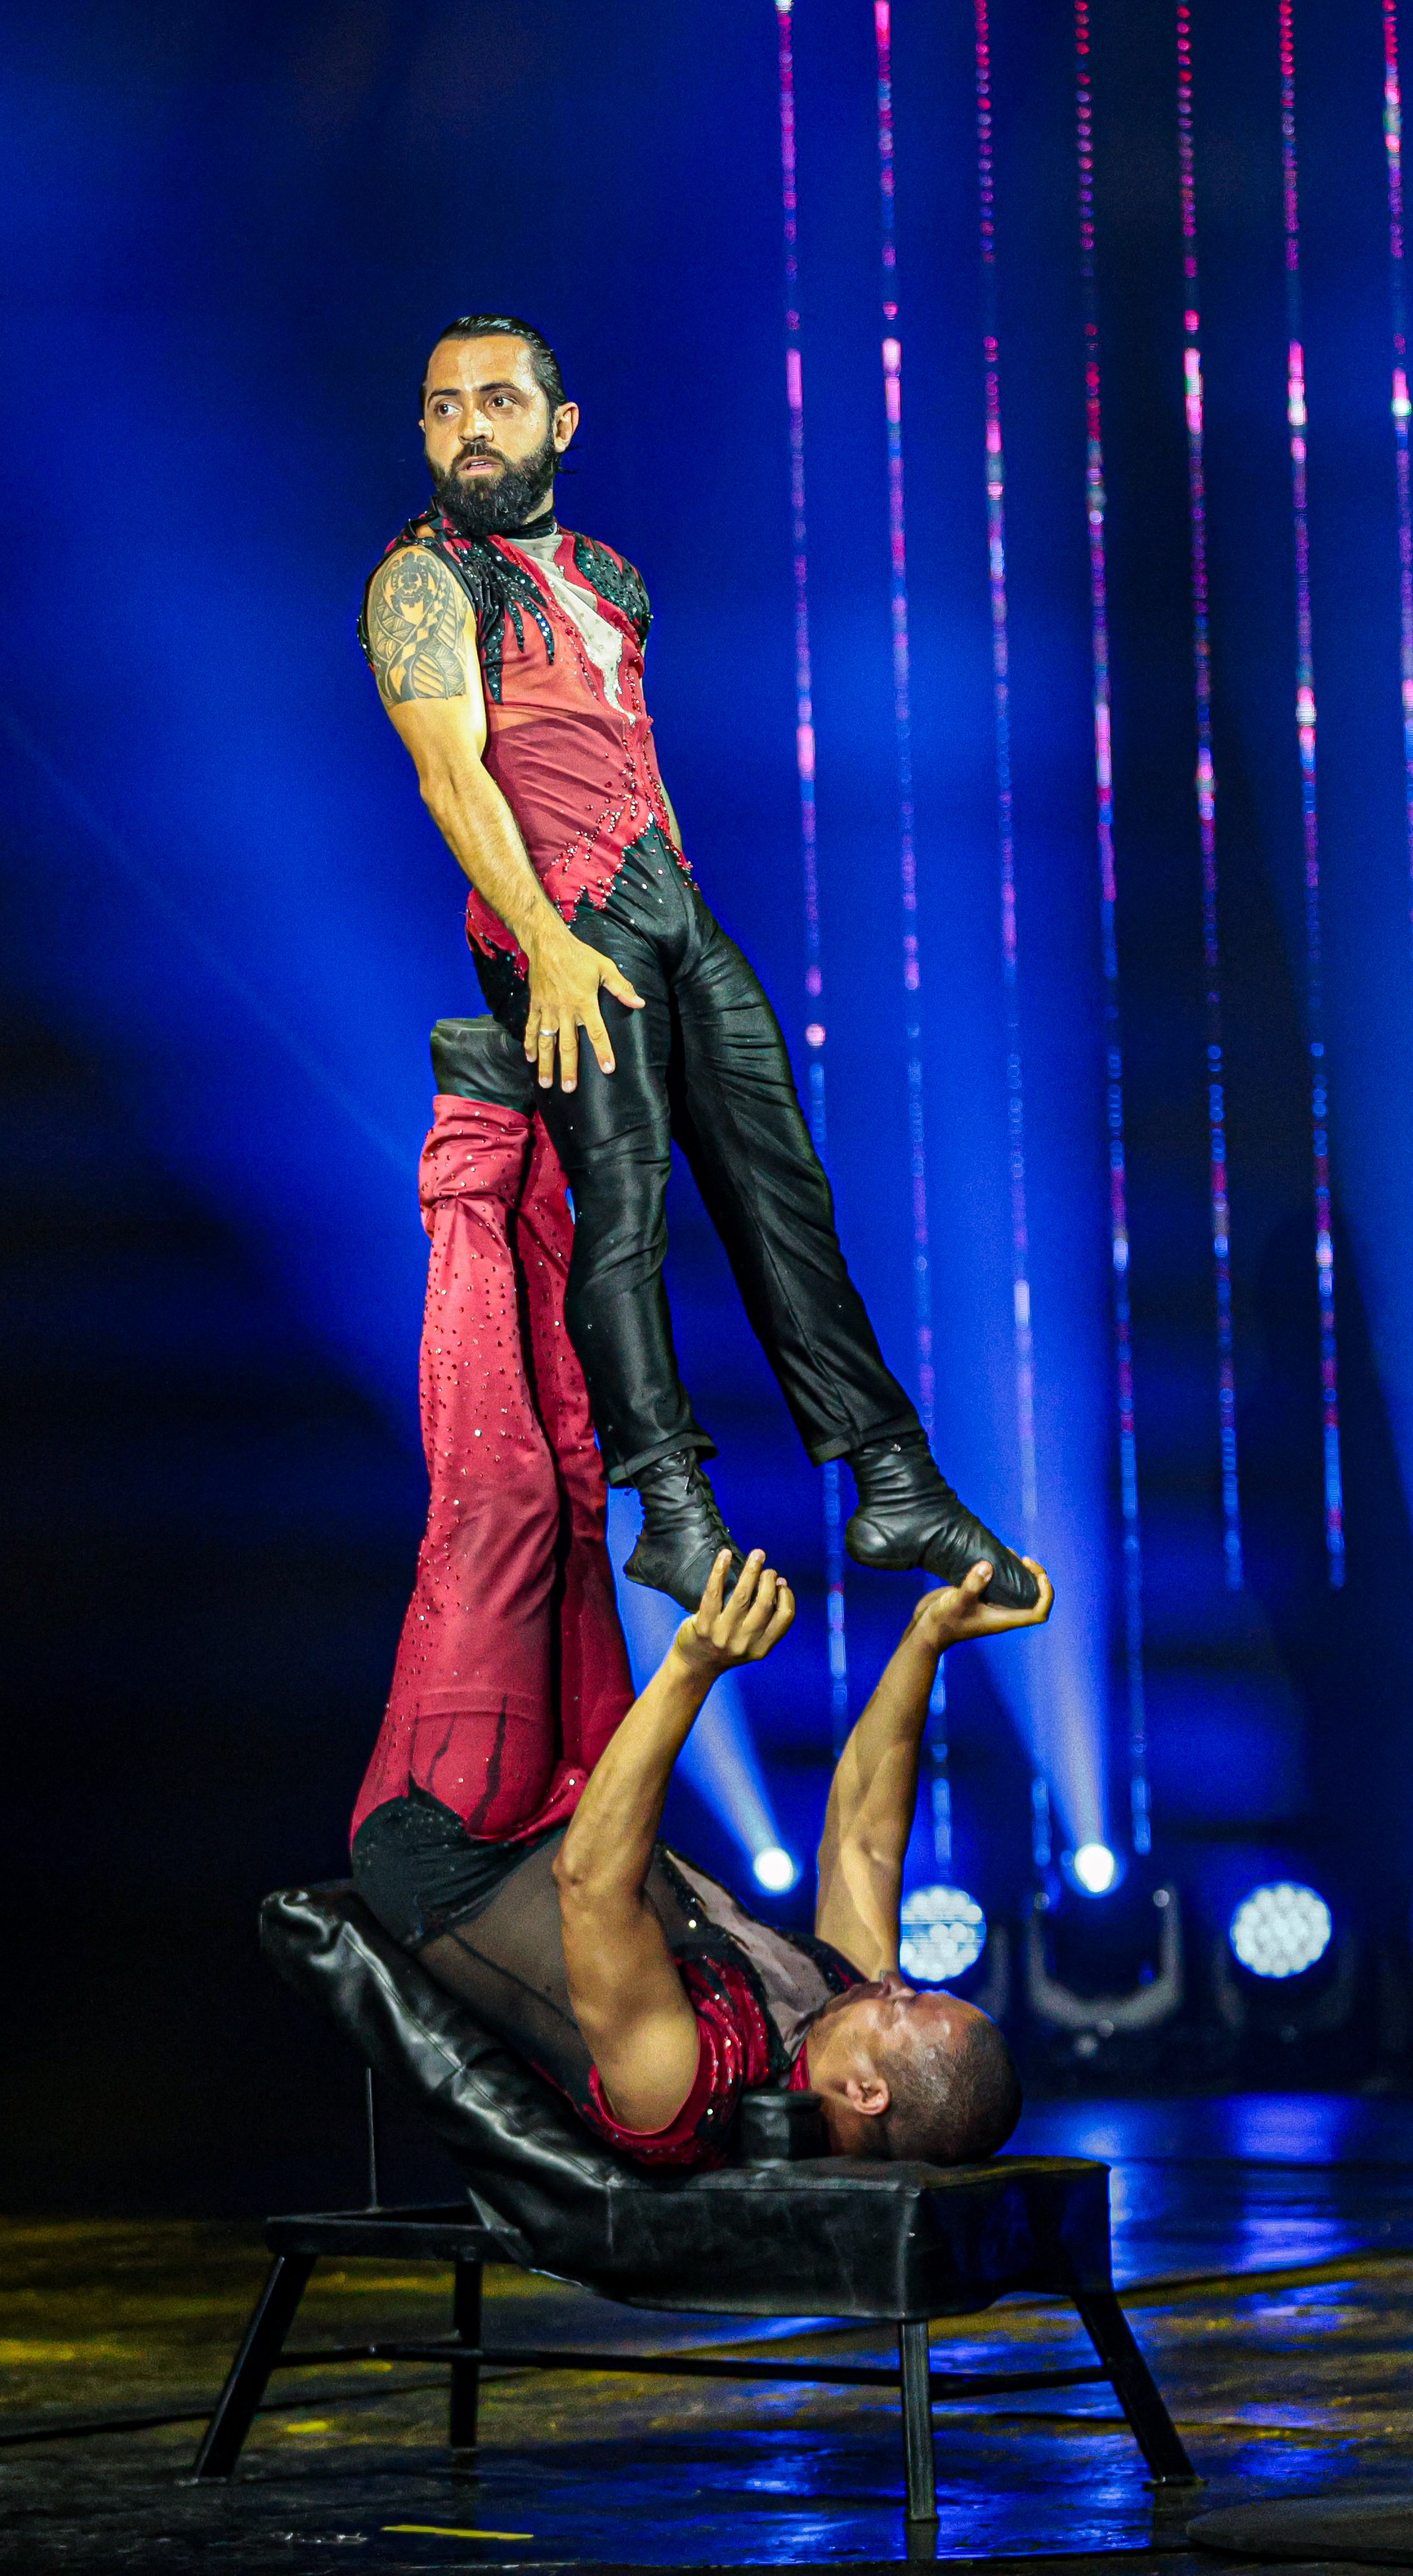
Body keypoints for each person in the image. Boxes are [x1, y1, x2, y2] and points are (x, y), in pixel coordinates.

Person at [357, 310, 1038, 1611]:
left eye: (497, 401)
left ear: (559, 425)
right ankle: (669, 1497)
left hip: (665, 900)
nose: (468, 428)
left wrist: (675, 899)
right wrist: (550, 950)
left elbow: (625, 750)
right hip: (561, 921)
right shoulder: (424, 579)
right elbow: (453, 772)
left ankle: (894, 1476)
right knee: (625, 1204)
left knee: (782, 1191)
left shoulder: (611, 577)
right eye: (445, 406)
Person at [346, 1021, 1039, 2171]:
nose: (908, 1980)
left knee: (508, 1504)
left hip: (456, 1841)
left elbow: (590, 1884)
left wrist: (692, 1667)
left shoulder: (684, 2086)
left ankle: (472, 1131)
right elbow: (865, 1831)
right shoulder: (832, 1997)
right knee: (574, 1477)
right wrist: (929, 1640)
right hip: (574, 1799)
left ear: (864, 2092)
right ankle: (529, 1136)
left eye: (914, 2009)